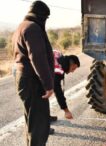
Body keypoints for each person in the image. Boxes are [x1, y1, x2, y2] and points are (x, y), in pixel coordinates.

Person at [13, 1, 54, 146]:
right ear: (41, 15)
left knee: (32, 123)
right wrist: (48, 85)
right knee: (39, 126)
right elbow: (37, 58)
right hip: (32, 82)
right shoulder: (33, 28)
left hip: (24, 79)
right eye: (46, 17)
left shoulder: (22, 26)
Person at [50, 50, 80, 121]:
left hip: (38, 71)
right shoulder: (57, 71)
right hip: (31, 76)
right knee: (40, 96)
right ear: (70, 63)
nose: (72, 72)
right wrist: (66, 110)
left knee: (45, 94)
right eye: (73, 69)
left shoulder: (60, 56)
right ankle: (41, 126)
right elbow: (58, 92)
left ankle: (45, 116)